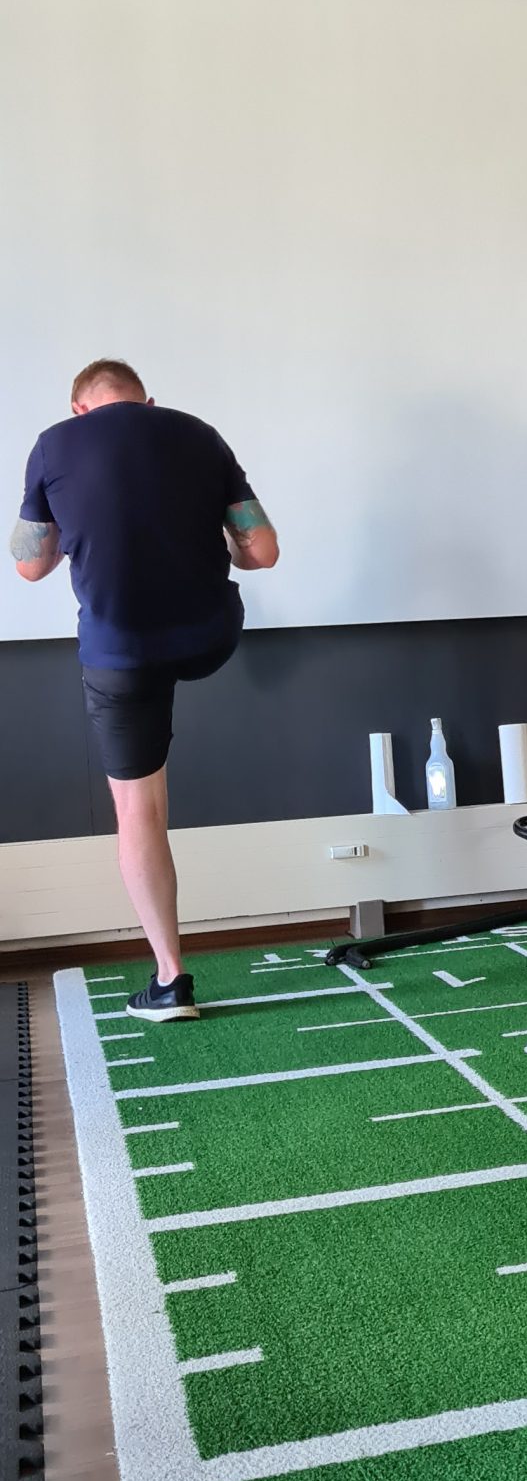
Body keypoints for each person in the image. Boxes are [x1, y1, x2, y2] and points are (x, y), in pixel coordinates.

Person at [11, 358, 278, 1017]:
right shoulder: (200, 434)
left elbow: (29, 565)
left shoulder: (52, 445)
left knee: (138, 811)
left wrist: (74, 530)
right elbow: (261, 551)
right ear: (148, 402)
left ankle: (170, 979)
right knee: (184, 658)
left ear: (79, 409)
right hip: (210, 638)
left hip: (120, 654)